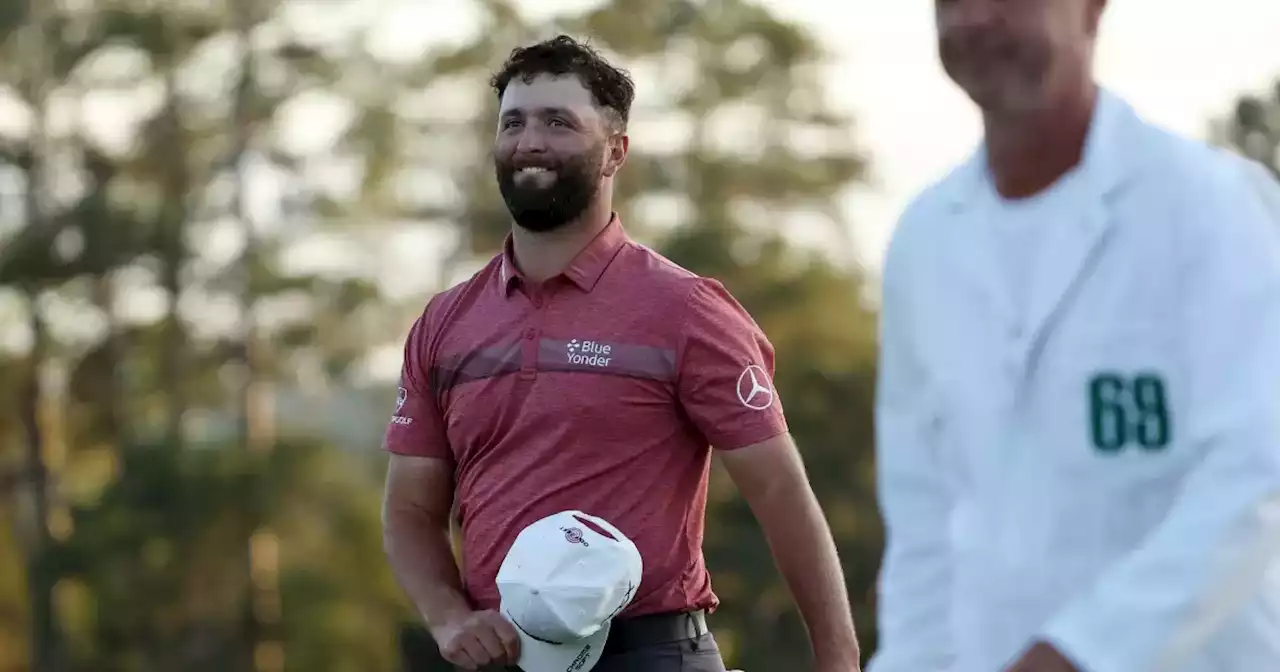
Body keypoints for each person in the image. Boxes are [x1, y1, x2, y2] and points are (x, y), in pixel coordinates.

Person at [380, 35, 861, 672]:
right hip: (501, 657)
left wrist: (840, 661)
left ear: (615, 151)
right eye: (514, 122)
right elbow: (410, 510)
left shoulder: (687, 311)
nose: (530, 141)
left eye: (559, 122)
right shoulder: (446, 322)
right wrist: (449, 619)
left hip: (652, 652)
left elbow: (779, 491)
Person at [868, 1, 1280, 671]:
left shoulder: (1212, 207)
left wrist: (1077, 653)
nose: (976, 18)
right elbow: (924, 519)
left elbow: (1255, 477)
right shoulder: (927, 237)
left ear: (1092, 9)